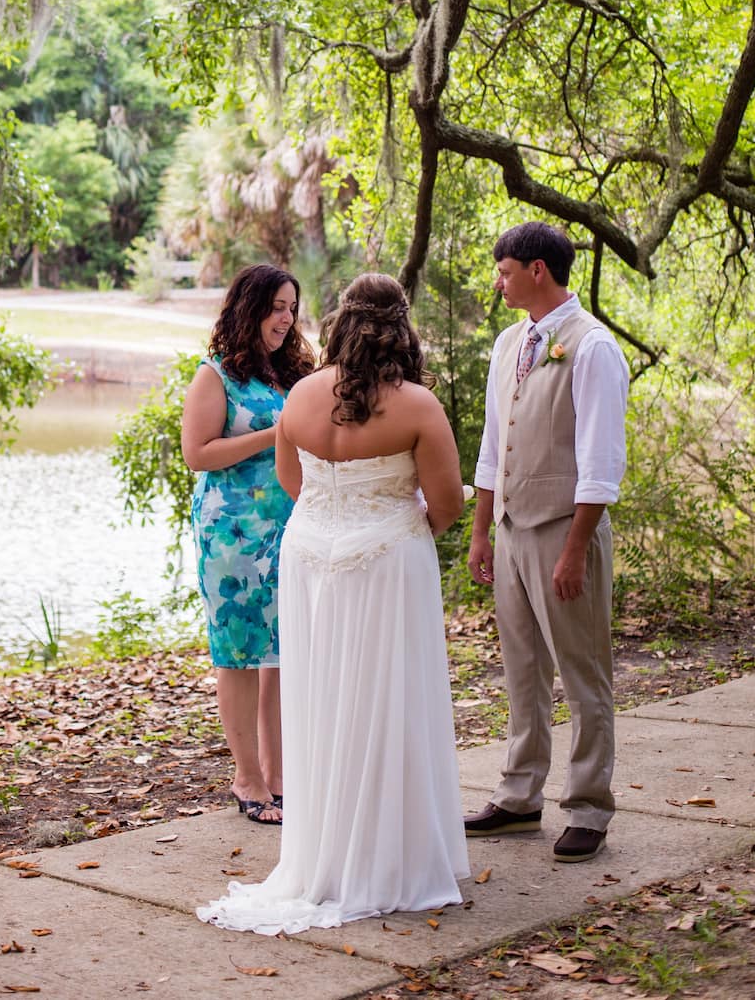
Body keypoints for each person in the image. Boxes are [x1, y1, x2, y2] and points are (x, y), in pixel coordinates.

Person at [198, 273, 468, 934]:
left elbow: (296, 485)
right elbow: (448, 505)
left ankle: (324, 856)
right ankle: (389, 861)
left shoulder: (301, 397)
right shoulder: (418, 407)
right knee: (386, 701)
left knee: (323, 702)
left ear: (342, 321)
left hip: (310, 558)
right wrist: (392, 533)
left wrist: (343, 526)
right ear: (401, 326)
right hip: (386, 567)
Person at [465, 221, 629, 865]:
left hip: (566, 530)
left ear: (538, 270)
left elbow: (600, 462)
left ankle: (589, 805)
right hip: (511, 529)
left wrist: (574, 549)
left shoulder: (592, 348)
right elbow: (490, 447)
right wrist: (482, 530)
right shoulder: (510, 343)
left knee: (584, 673)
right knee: (522, 671)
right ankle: (519, 795)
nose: (498, 281)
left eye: (504, 271)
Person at [182, 263, 316, 825]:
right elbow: (199, 453)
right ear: (249, 307)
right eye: (276, 307)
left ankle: (279, 774)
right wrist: (275, 433)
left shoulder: (293, 375)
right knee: (238, 656)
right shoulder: (215, 376)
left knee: (282, 655)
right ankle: (247, 778)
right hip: (231, 535)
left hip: (291, 529)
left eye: (291, 308)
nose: (285, 319)